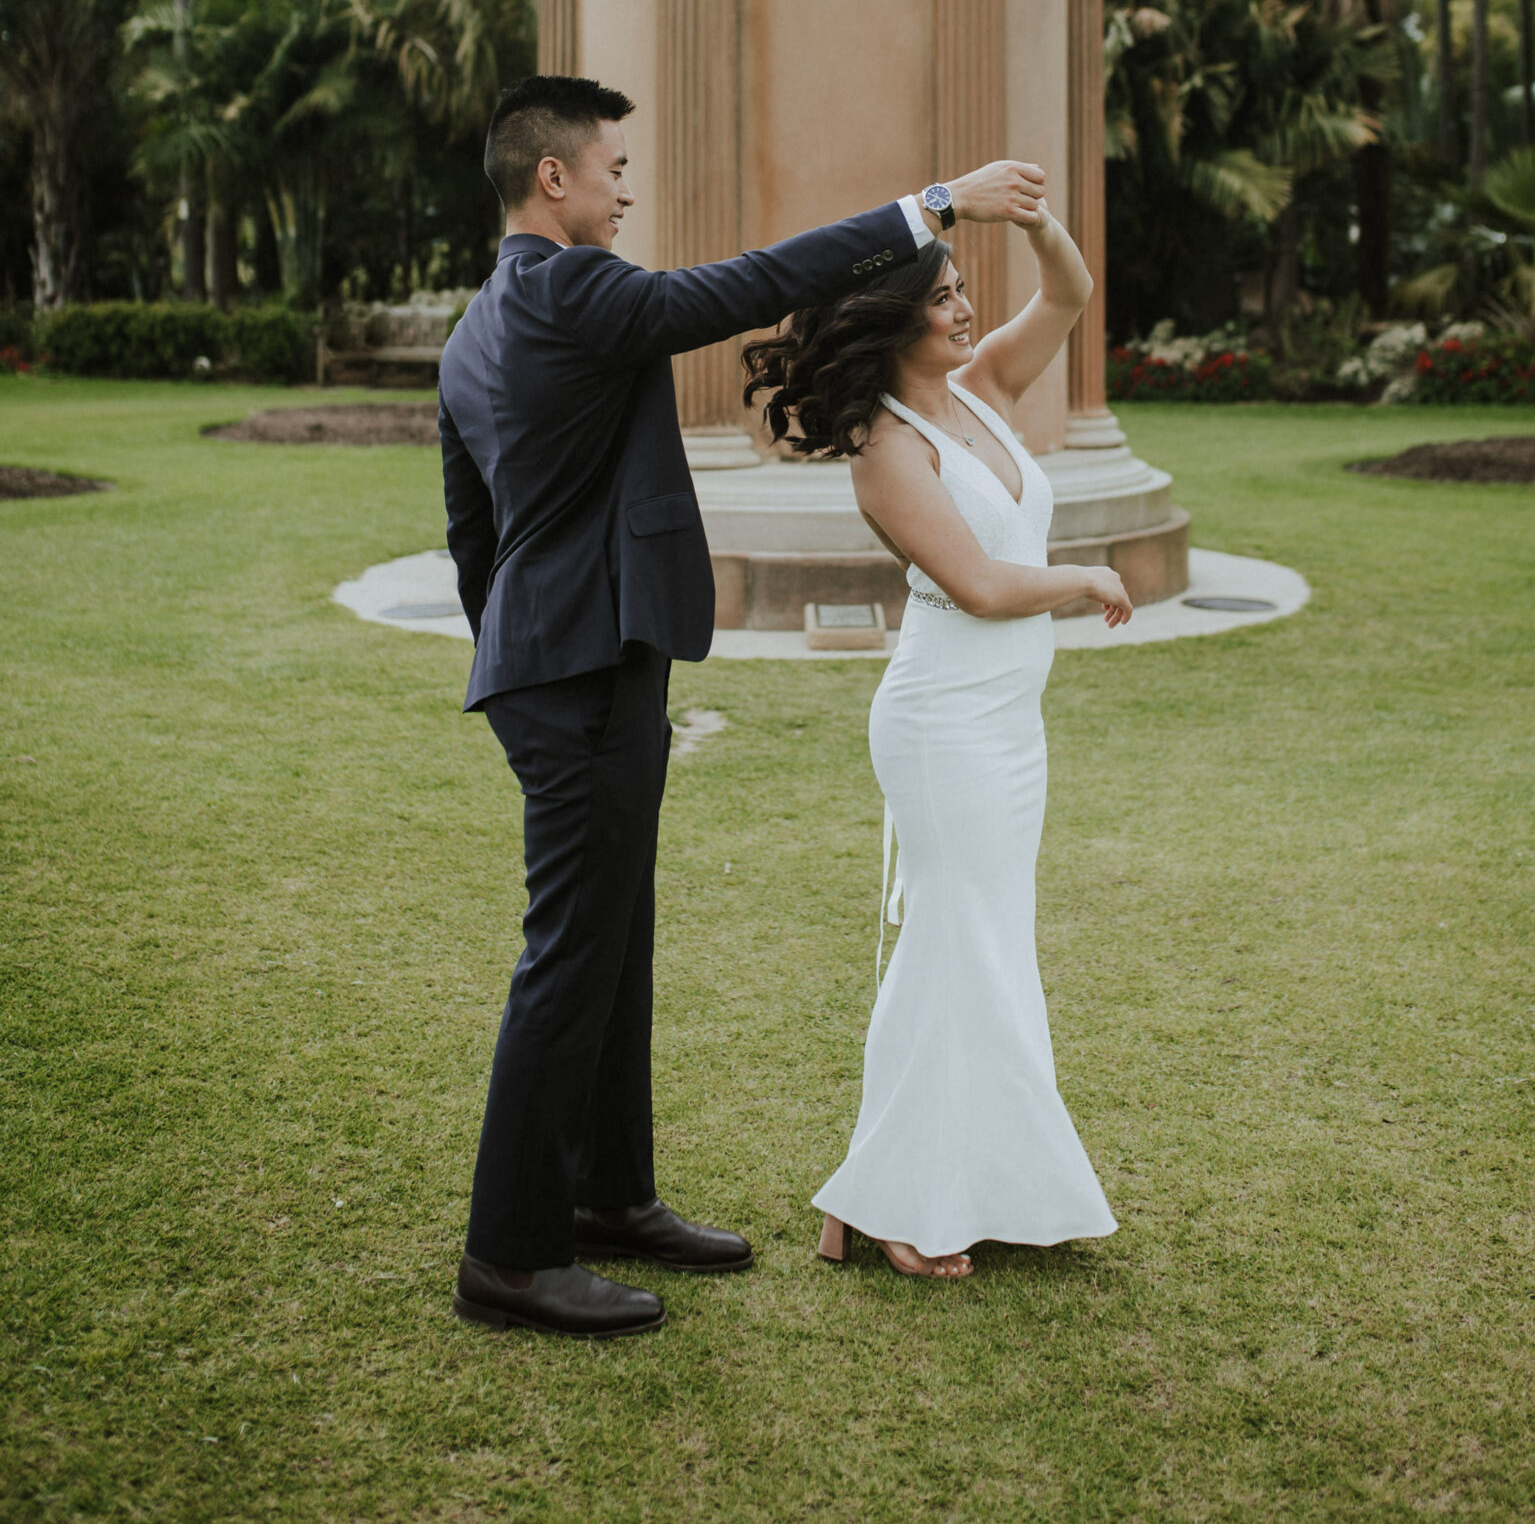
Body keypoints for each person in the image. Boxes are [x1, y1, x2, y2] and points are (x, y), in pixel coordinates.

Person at [438, 69, 1045, 1338]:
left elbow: (471, 527)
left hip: (565, 655)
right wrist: (930, 204)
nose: (623, 185)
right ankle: (509, 1255)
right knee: (568, 955)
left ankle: (610, 1197)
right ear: (550, 176)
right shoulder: (571, 287)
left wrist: (510, 643)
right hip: (582, 663)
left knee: (612, 938)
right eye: (610, 167)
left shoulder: (480, 324)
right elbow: (740, 287)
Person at [743, 200, 1131, 1279]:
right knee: (958, 943)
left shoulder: (984, 392)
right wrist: (1086, 573)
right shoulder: (883, 448)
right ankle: (896, 1202)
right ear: (890, 324)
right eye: (939, 299)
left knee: (975, 942)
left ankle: (878, 1195)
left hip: (1009, 725)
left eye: (959, 288)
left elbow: (1068, 295)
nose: (962, 309)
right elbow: (977, 581)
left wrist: (1039, 219)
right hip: (941, 722)